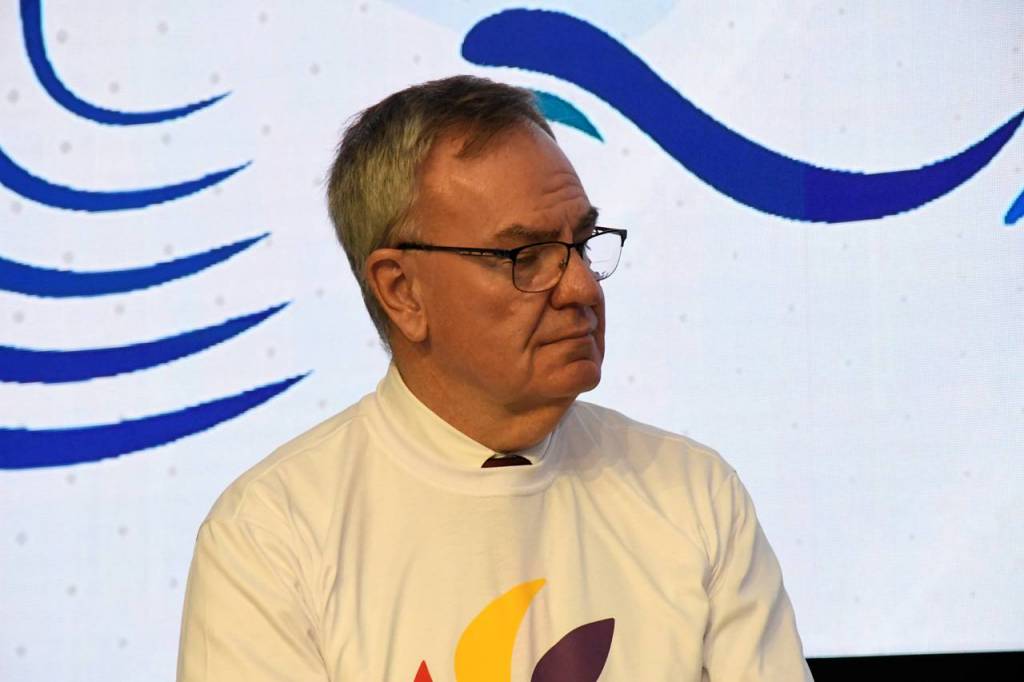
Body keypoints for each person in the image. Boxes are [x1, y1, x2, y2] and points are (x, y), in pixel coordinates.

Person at [176, 75, 813, 681]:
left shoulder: (693, 494)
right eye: (526, 256)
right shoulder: (273, 537)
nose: (581, 288)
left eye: (582, 243)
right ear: (402, 291)